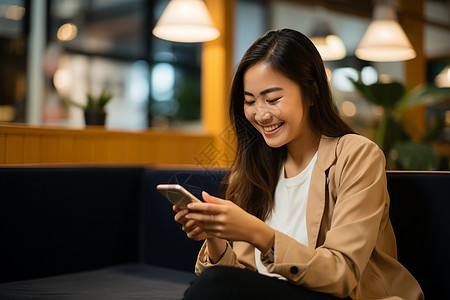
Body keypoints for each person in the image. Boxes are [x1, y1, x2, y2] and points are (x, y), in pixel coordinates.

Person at [173, 28, 424, 300]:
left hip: (339, 295)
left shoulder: (357, 156)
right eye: (249, 102)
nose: (260, 114)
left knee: (214, 286)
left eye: (272, 99)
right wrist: (216, 237)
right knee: (213, 283)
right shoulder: (253, 169)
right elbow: (242, 277)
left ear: (312, 92)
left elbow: (341, 274)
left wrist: (257, 232)